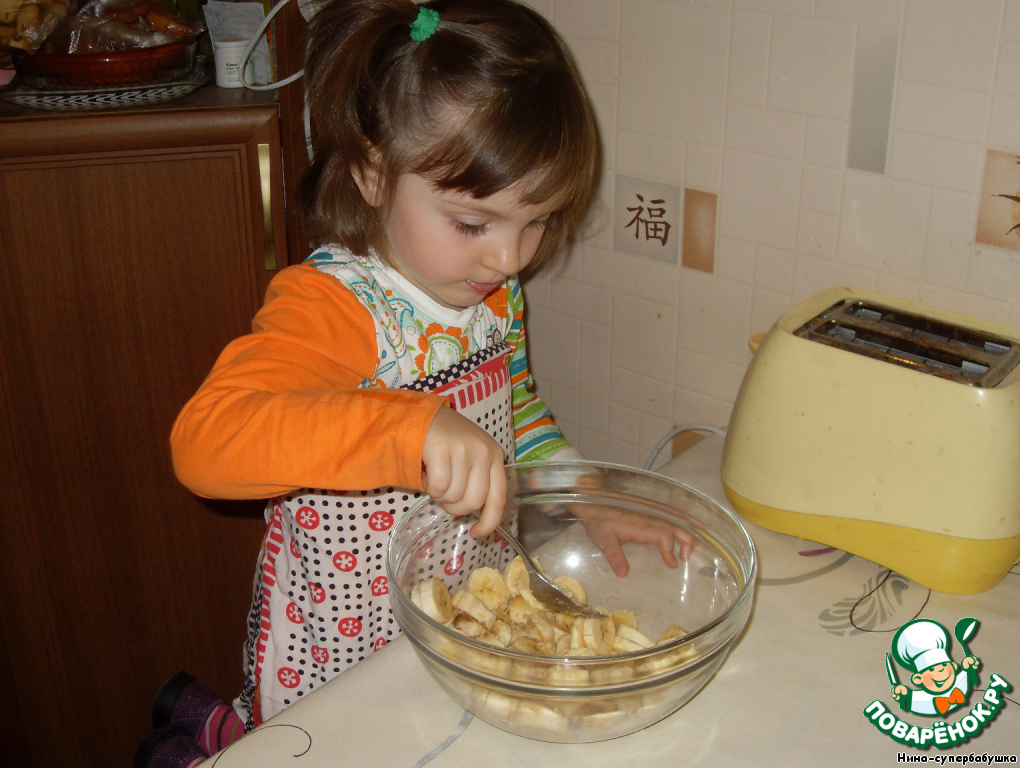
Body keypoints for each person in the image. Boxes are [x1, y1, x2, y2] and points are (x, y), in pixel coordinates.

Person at [137, 1, 691, 765]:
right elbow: (207, 443)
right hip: (346, 645)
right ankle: (215, 738)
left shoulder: (492, 294)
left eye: (536, 221)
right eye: (472, 224)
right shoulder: (334, 309)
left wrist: (582, 493)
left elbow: (512, 406)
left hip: (461, 614)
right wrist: (408, 429)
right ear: (373, 174)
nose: (509, 258)